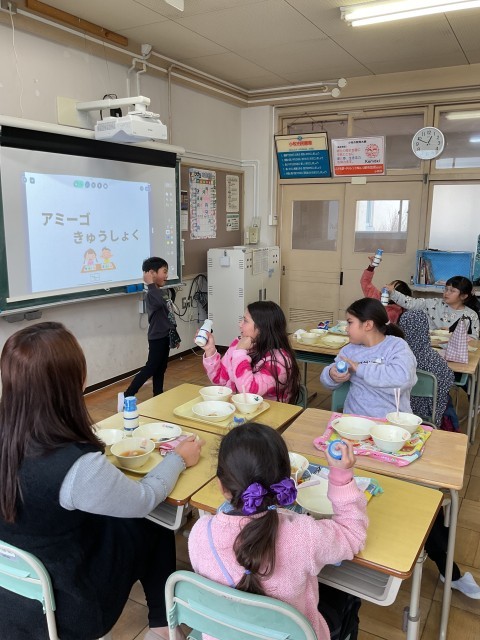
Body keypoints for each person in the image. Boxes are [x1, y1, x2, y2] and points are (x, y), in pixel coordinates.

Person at [0, 322, 203, 640]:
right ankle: (163, 626)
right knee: (154, 521)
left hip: (10, 598)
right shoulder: (75, 465)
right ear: (72, 381)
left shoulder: (11, 436)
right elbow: (144, 499)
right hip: (69, 606)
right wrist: (178, 458)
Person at [188, 423, 368, 640]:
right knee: (346, 598)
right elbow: (352, 534)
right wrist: (341, 477)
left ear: (221, 486)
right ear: (286, 481)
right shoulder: (303, 534)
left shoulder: (200, 533)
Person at [320, 298, 417, 418]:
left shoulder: (396, 346)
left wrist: (360, 368)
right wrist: (331, 374)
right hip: (355, 420)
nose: (346, 328)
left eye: (350, 322)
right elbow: (327, 381)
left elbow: (402, 379)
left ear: (368, 325)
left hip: (392, 422)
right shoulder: (349, 350)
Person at [200, 301, 301, 403]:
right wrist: (210, 350)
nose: (240, 324)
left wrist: (240, 353)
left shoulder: (279, 360)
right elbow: (219, 379)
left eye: (245, 321)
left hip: (266, 411)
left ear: (262, 328)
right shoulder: (238, 345)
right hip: (237, 407)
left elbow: (249, 393)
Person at [123, 257, 179, 401]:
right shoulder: (151, 294)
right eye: (164, 272)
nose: (166, 275)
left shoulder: (160, 292)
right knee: (151, 368)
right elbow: (158, 304)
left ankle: (158, 395)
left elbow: (169, 315)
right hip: (157, 337)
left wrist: (175, 334)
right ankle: (128, 394)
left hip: (165, 336)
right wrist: (150, 284)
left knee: (161, 368)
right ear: (152, 273)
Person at [398, 309, 454, 427]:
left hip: (400, 410)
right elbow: (448, 381)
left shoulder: (397, 357)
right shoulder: (435, 360)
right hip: (429, 414)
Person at [386, 275, 480, 339]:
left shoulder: (471, 315)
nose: (446, 293)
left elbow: (474, 338)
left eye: (452, 291)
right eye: (446, 289)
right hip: (430, 348)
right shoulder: (434, 303)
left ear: (464, 296)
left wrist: (454, 334)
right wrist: (393, 293)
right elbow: (411, 303)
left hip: (456, 353)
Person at [360, 255, 412, 323]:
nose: (386, 285)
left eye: (391, 285)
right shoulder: (377, 297)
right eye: (389, 283)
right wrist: (372, 266)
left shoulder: (395, 312)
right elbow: (365, 282)